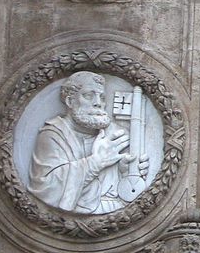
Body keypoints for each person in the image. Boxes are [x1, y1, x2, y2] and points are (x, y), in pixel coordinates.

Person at [27, 72, 142, 215]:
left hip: (113, 215)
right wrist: (96, 162)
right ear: (70, 101)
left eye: (102, 97)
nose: (98, 103)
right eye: (88, 95)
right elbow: (47, 190)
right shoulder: (53, 135)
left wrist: (124, 173)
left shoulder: (113, 134)